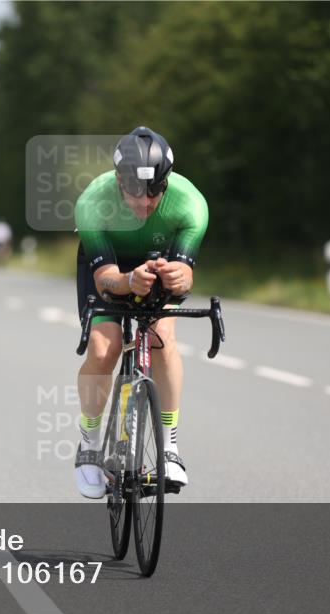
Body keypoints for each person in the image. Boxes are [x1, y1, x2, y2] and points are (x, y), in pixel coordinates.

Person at [73, 127, 208, 499]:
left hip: (156, 263)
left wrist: (180, 277)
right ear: (119, 180)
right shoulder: (92, 203)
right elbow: (104, 280)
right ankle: (88, 443)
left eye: (155, 192)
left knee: (162, 339)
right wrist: (127, 281)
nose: (146, 203)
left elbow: (184, 278)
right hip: (110, 268)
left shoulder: (190, 204)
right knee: (104, 349)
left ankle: (169, 448)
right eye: (135, 191)